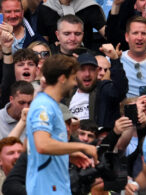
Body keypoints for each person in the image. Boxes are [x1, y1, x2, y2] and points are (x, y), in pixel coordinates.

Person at [25, 54, 98, 194]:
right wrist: (82, 146)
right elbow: (42, 145)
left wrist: (67, 154)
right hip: (45, 189)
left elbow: (29, 144)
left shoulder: (52, 106)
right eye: (72, 78)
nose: (75, 83)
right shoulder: (43, 106)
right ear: (62, 78)